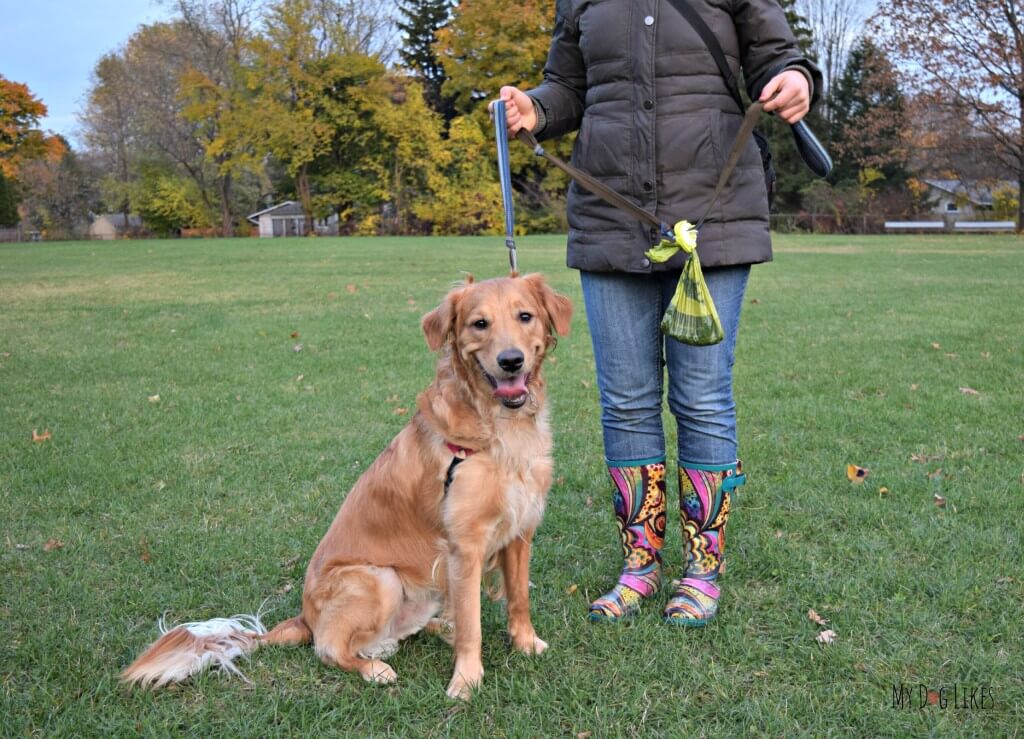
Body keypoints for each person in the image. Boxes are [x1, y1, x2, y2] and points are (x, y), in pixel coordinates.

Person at [494, 1, 822, 626]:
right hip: (612, 219)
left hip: (714, 218)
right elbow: (570, 87)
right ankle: (639, 565)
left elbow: (780, 57)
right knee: (625, 400)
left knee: (702, 397)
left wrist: (797, 81)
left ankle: (703, 568)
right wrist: (534, 108)